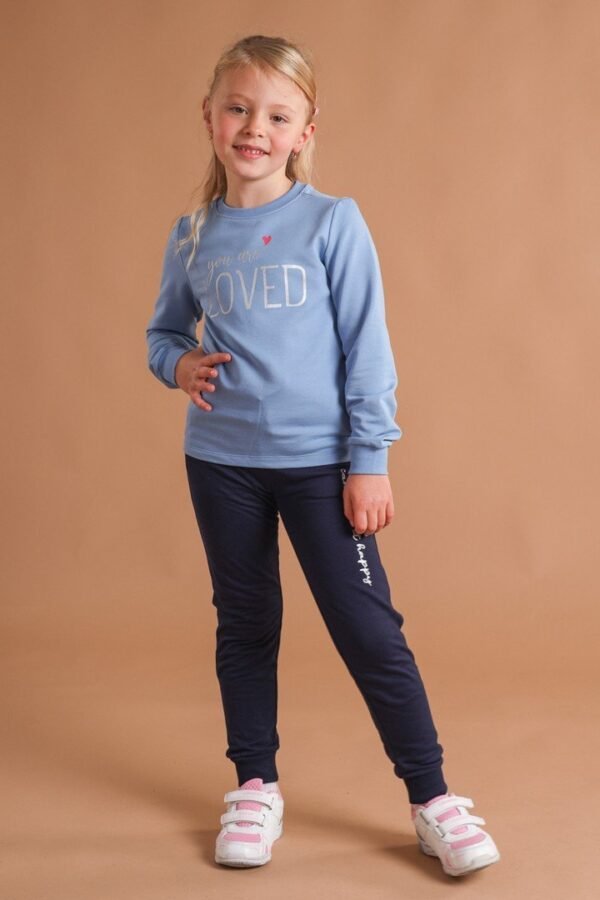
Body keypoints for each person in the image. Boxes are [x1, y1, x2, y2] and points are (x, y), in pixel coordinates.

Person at [146, 33, 500, 877]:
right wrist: (179, 365)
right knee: (246, 623)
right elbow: (163, 335)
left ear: (305, 131)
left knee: (368, 630)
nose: (254, 128)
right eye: (238, 109)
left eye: (277, 115)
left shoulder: (331, 221)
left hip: (322, 465)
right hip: (221, 464)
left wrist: (369, 459)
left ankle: (432, 798)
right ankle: (255, 785)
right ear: (209, 116)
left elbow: (367, 346)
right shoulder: (193, 235)